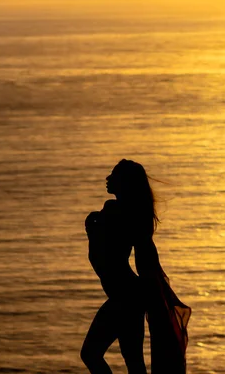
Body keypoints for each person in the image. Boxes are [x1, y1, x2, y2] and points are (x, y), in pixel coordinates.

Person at [81, 159, 191, 374]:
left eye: (113, 175)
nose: (108, 179)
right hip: (130, 296)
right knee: (134, 362)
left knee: (91, 354)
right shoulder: (124, 214)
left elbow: (134, 258)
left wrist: (93, 225)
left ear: (124, 182)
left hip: (125, 297)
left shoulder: (115, 213)